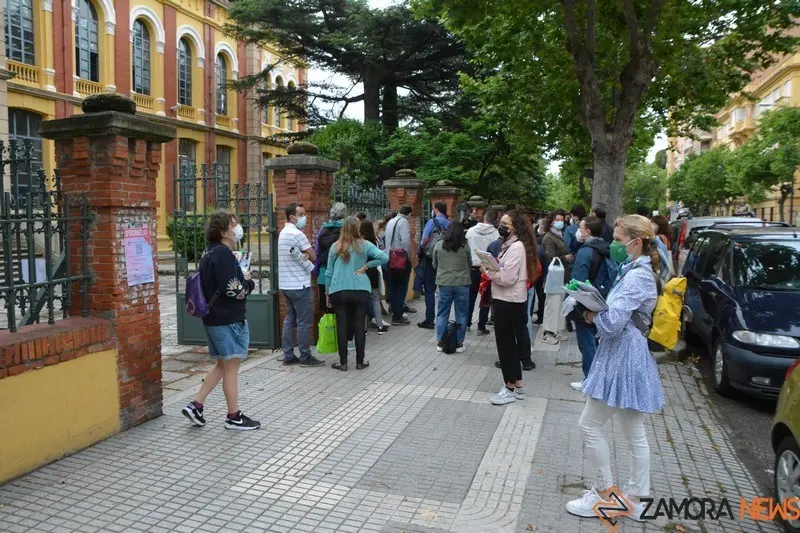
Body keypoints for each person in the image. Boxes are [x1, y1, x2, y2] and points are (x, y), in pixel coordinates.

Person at [565, 215, 663, 521]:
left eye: (619, 241)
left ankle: (604, 493)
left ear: (637, 242)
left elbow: (611, 324)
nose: (614, 246)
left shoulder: (636, 277)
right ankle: (637, 500)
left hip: (622, 355)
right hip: (629, 354)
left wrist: (591, 314)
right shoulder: (636, 270)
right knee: (634, 432)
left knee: (589, 424)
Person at [182, 211, 260, 430]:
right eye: (233, 225)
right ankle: (233, 416)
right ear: (224, 231)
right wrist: (248, 284)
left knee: (222, 365)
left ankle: (196, 405)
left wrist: (239, 278)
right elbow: (232, 289)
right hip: (228, 319)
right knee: (231, 368)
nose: (237, 228)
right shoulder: (224, 254)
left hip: (213, 317)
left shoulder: (209, 252)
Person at [485, 210, 539, 405]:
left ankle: (509, 388)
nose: (501, 227)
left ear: (515, 228)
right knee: (509, 344)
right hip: (507, 299)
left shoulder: (516, 247)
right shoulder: (511, 245)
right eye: (501, 223)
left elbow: (507, 277)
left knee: (506, 346)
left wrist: (489, 272)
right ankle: (518, 385)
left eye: (506, 224)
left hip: (508, 300)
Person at [325, 217, 388, 371]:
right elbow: (384, 257)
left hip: (338, 289)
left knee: (342, 324)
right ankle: (360, 362)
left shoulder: (336, 247)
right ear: (357, 228)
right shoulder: (365, 245)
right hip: (360, 288)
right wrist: (367, 266)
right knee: (359, 325)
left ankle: (343, 362)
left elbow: (329, 272)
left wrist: (327, 291)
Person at [567, 215, 614, 391]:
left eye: (580, 228)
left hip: (586, 303)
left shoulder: (585, 251)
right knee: (596, 342)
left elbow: (577, 280)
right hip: (603, 300)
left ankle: (591, 381)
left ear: (587, 231)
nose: (578, 231)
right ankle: (599, 378)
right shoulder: (606, 248)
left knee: (586, 344)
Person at [277, 203, 325, 367]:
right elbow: (314, 256)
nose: (304, 217)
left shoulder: (283, 233)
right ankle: (305, 356)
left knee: (290, 320)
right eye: (301, 214)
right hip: (300, 285)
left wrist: (304, 253)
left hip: (286, 285)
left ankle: (288, 355)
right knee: (304, 322)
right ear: (292, 217)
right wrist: (307, 253)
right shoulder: (298, 234)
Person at [433, 222, 472, 353]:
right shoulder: (465, 246)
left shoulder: (439, 245)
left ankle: (440, 342)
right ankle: (459, 344)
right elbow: (470, 263)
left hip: (444, 283)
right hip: (462, 284)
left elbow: (434, 264)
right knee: (461, 314)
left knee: (442, 313)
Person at [541, 210, 573, 345]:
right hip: (553, 276)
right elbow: (550, 258)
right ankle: (548, 332)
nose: (560, 222)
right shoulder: (549, 237)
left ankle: (556, 331)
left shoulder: (559, 235)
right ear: (551, 221)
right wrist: (564, 257)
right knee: (552, 305)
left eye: (562, 220)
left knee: (559, 304)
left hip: (561, 276)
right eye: (557, 220)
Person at [418, 201, 451, 329]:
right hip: (446, 260)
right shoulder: (449, 224)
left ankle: (429, 319)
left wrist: (420, 253)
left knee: (429, 290)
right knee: (444, 290)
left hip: (430, 258)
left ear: (436, 209)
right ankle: (443, 319)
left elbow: (423, 241)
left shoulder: (432, 222)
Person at [466, 209, 499, 333]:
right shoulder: (496, 234)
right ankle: (481, 326)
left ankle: (467, 324)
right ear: (495, 220)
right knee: (485, 298)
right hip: (487, 269)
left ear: (484, 217)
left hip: (472, 268)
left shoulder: (471, 231)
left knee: (470, 297)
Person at [314, 202, 347, 310]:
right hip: (342, 276)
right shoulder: (346, 231)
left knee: (326, 310)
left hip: (323, 276)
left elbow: (317, 252)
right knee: (342, 311)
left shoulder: (322, 230)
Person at [384, 206, 413, 326]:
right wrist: (409, 257)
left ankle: (395, 311)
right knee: (402, 287)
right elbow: (405, 241)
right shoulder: (404, 222)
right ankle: (397, 316)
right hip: (400, 259)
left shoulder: (391, 221)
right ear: (409, 214)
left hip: (390, 258)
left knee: (393, 287)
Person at [360, 219, 388, 335]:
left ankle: (364, 328)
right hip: (373, 271)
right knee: (375, 299)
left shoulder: (360, 242)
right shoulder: (375, 240)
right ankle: (380, 326)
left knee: (363, 300)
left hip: (362, 271)